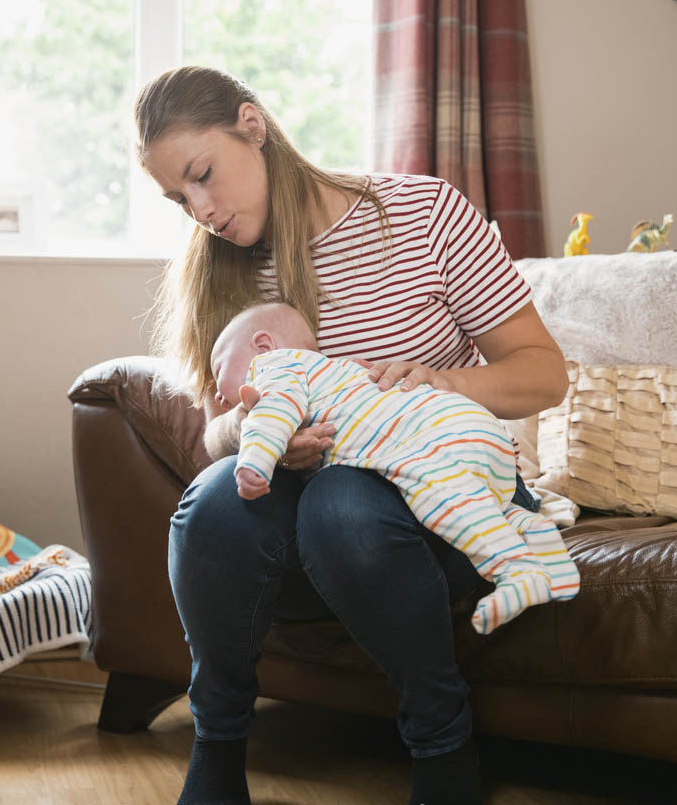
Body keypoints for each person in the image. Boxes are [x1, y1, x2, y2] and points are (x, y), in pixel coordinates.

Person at [136, 65, 568, 805]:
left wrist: (444, 380)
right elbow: (214, 437)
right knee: (211, 500)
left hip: (440, 506)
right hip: (297, 533)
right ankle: (217, 748)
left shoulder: (425, 213)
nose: (201, 210)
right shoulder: (220, 272)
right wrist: (247, 429)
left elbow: (544, 374)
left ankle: (443, 746)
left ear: (252, 126)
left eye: (204, 176)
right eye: (180, 199)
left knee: (342, 499)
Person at [211, 301, 580, 634]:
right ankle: (542, 544)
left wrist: (256, 460)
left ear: (263, 345)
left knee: (444, 503)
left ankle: (515, 572)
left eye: (220, 370)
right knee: (486, 503)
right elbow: (219, 430)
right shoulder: (341, 371)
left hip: (426, 445)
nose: (215, 394)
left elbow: (273, 414)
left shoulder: (274, 367)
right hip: (475, 428)